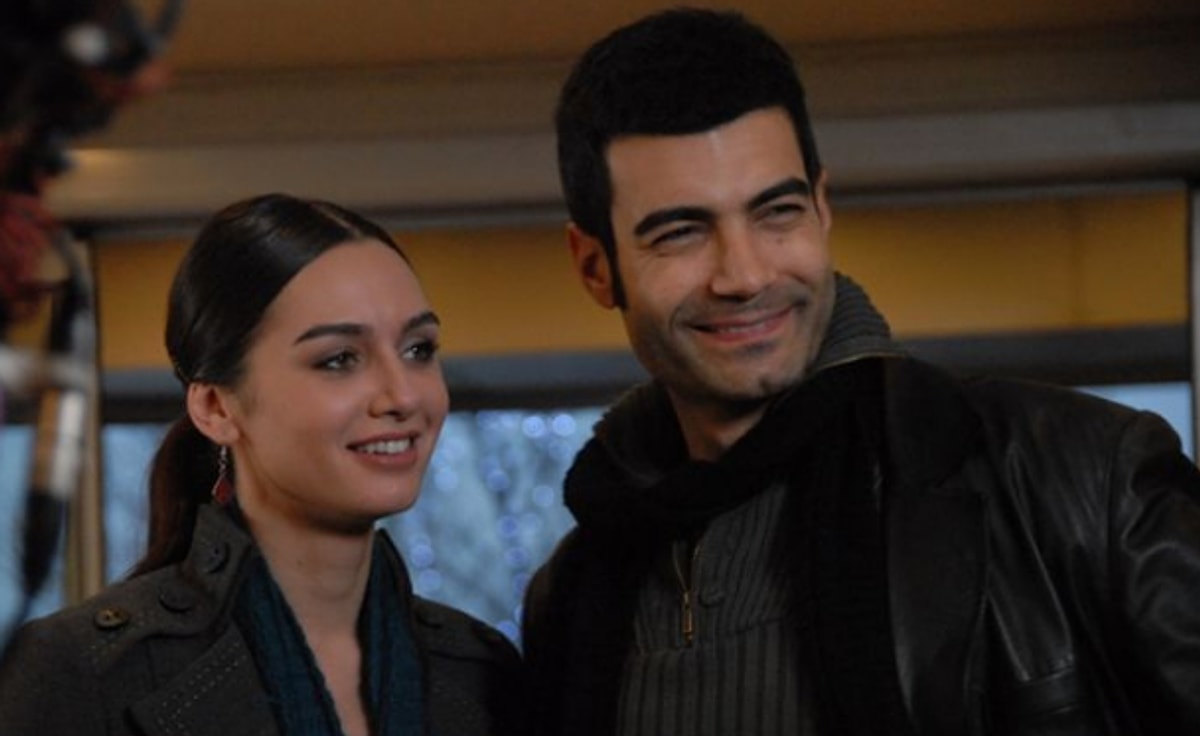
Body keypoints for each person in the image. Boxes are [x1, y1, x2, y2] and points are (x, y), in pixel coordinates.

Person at [521, 8, 1200, 735]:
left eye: (777, 211)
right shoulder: (572, 594)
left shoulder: (1087, 478)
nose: (745, 275)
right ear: (594, 267)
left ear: (822, 208)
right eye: (681, 232)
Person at [0, 193, 526, 735]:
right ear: (216, 408)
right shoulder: (76, 673)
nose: (404, 396)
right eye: (339, 359)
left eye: (419, 349)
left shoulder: (481, 672)